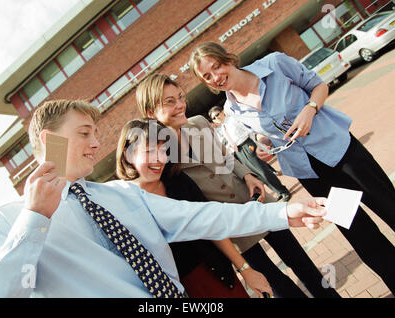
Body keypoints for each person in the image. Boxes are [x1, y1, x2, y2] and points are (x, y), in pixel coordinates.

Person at [0, 99, 326, 298]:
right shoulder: (3, 222)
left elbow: (203, 217)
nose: (97, 144)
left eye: (96, 133)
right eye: (85, 133)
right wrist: (34, 219)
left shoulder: (123, 194)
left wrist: (283, 212)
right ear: (49, 140)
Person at [189, 41, 395, 298]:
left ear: (228, 59)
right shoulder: (231, 110)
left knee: (391, 209)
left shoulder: (275, 64)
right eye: (207, 76)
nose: (216, 77)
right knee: (361, 234)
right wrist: (263, 145)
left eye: (216, 67)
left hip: (342, 153)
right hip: (312, 174)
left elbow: (319, 86)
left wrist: (309, 111)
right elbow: (267, 134)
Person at [136, 73, 341, 298]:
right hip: (231, 225)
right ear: (150, 112)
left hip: (257, 201)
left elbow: (227, 157)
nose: (180, 105)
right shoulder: (158, 157)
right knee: (274, 283)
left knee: (303, 264)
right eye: (169, 101)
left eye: (180, 97)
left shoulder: (199, 123)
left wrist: (247, 175)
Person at [116, 117, 272, 297]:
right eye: (150, 151)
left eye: (164, 150)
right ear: (128, 154)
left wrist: (245, 269)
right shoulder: (122, 201)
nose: (159, 159)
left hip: (220, 276)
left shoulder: (178, 180)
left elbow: (210, 224)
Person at [208, 105, 291, 202]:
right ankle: (277, 191)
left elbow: (249, 130)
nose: (217, 118)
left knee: (263, 171)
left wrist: (256, 143)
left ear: (222, 112)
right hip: (238, 151)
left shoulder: (233, 120)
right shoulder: (222, 128)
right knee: (258, 174)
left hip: (246, 145)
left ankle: (283, 191)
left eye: (217, 114)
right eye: (214, 118)